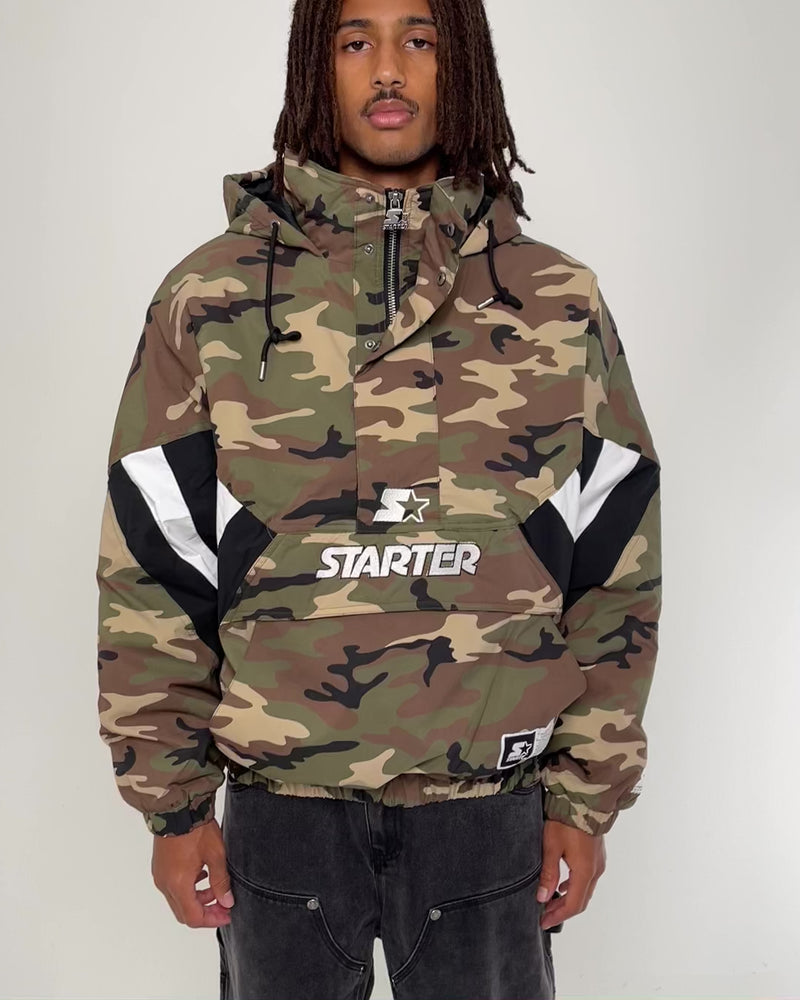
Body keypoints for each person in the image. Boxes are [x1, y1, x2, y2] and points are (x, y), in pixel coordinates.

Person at [94, 0, 662, 996]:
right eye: (355, 41)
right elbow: (154, 558)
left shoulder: (556, 301)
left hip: (489, 811)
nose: (387, 68)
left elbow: (615, 557)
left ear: (463, 63)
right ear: (315, 67)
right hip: (281, 808)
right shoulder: (209, 297)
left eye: (419, 39)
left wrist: (584, 795)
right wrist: (173, 806)